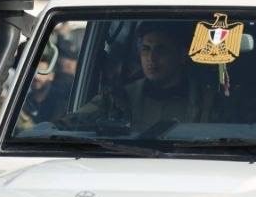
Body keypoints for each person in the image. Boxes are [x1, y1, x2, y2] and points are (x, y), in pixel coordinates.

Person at [61, 22, 216, 133]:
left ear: (182, 55)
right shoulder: (118, 98)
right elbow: (69, 125)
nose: (151, 58)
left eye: (161, 50)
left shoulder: (208, 102)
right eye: (146, 49)